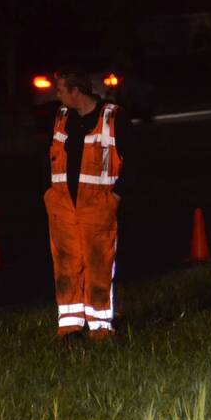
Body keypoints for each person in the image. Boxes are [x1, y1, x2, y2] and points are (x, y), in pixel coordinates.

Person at [45, 68, 131, 341]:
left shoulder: (113, 117)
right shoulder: (61, 117)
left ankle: (101, 328)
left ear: (76, 91)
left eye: (60, 89)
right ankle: (70, 327)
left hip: (97, 206)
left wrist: (115, 196)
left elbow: (135, 161)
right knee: (66, 264)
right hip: (63, 207)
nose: (56, 94)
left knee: (98, 264)